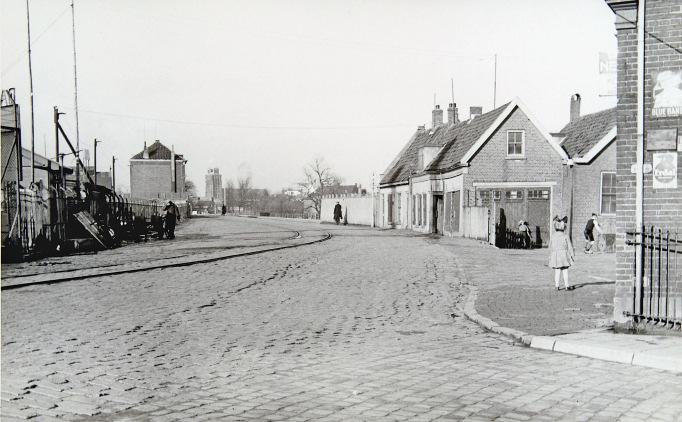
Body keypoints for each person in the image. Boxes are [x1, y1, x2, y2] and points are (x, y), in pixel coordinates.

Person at [549, 215, 575, 290]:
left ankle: (557, 286)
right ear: (563, 228)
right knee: (565, 270)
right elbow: (570, 246)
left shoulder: (553, 236)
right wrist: (572, 255)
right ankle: (567, 286)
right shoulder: (565, 236)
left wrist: (550, 256)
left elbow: (550, 247)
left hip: (556, 255)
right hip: (564, 255)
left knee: (557, 271)